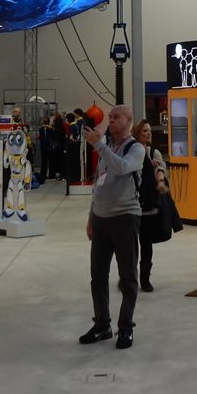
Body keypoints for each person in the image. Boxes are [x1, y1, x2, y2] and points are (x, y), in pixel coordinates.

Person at [80, 104, 145, 350]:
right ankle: (102, 325)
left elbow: (122, 167)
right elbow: (98, 183)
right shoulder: (107, 148)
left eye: (116, 117)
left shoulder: (136, 148)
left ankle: (125, 327)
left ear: (128, 121)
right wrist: (91, 217)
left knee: (127, 276)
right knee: (98, 276)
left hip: (125, 217)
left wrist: (99, 145)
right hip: (101, 219)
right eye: (110, 117)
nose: (111, 120)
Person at [132, 119, 169, 293]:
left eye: (149, 131)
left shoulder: (154, 153)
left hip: (147, 206)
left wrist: (160, 181)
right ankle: (128, 275)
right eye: (144, 131)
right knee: (130, 244)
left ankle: (144, 279)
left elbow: (160, 169)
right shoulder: (131, 152)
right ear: (137, 133)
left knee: (146, 244)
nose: (148, 133)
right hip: (131, 203)